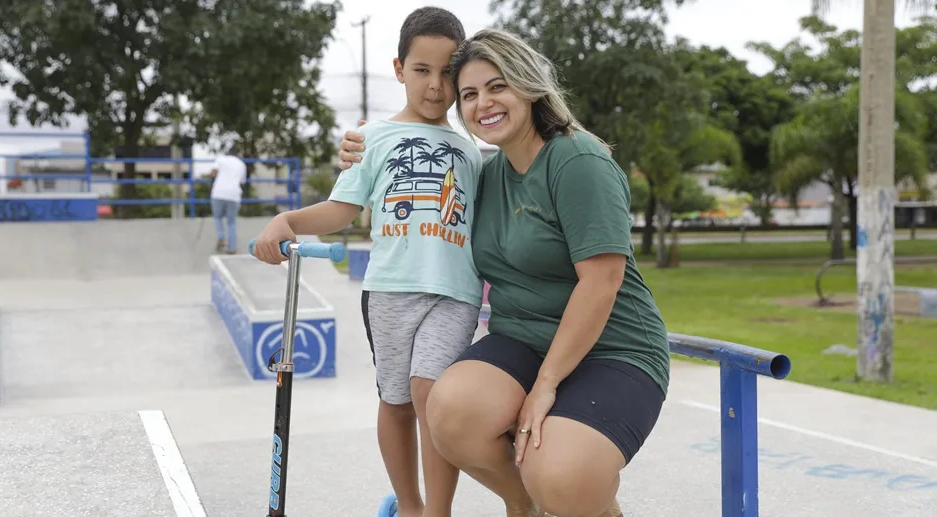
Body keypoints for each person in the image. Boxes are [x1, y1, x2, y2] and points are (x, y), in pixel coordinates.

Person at [336, 28, 671, 517]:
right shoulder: (485, 174)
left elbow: (602, 281)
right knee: (449, 411)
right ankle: (522, 503)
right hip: (523, 342)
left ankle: (577, 498)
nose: (483, 103)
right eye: (470, 94)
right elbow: (414, 176)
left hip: (613, 348)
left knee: (560, 475)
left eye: (498, 86)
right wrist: (369, 143)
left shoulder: (576, 159)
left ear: (529, 87)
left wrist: (546, 384)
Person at [250, 7, 484, 517]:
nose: (435, 85)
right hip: (389, 290)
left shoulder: (474, 151)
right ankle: (411, 506)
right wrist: (287, 219)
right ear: (399, 69)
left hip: (455, 293)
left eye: (447, 72)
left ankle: (438, 512)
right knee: (396, 401)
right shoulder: (372, 138)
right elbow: (342, 209)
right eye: (421, 70)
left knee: (430, 394)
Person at [208, 148, 247, 254]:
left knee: (218, 217)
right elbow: (242, 181)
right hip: (234, 194)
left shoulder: (221, 159)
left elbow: (213, 173)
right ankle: (232, 248)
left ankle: (221, 237)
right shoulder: (241, 164)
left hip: (218, 193)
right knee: (231, 222)